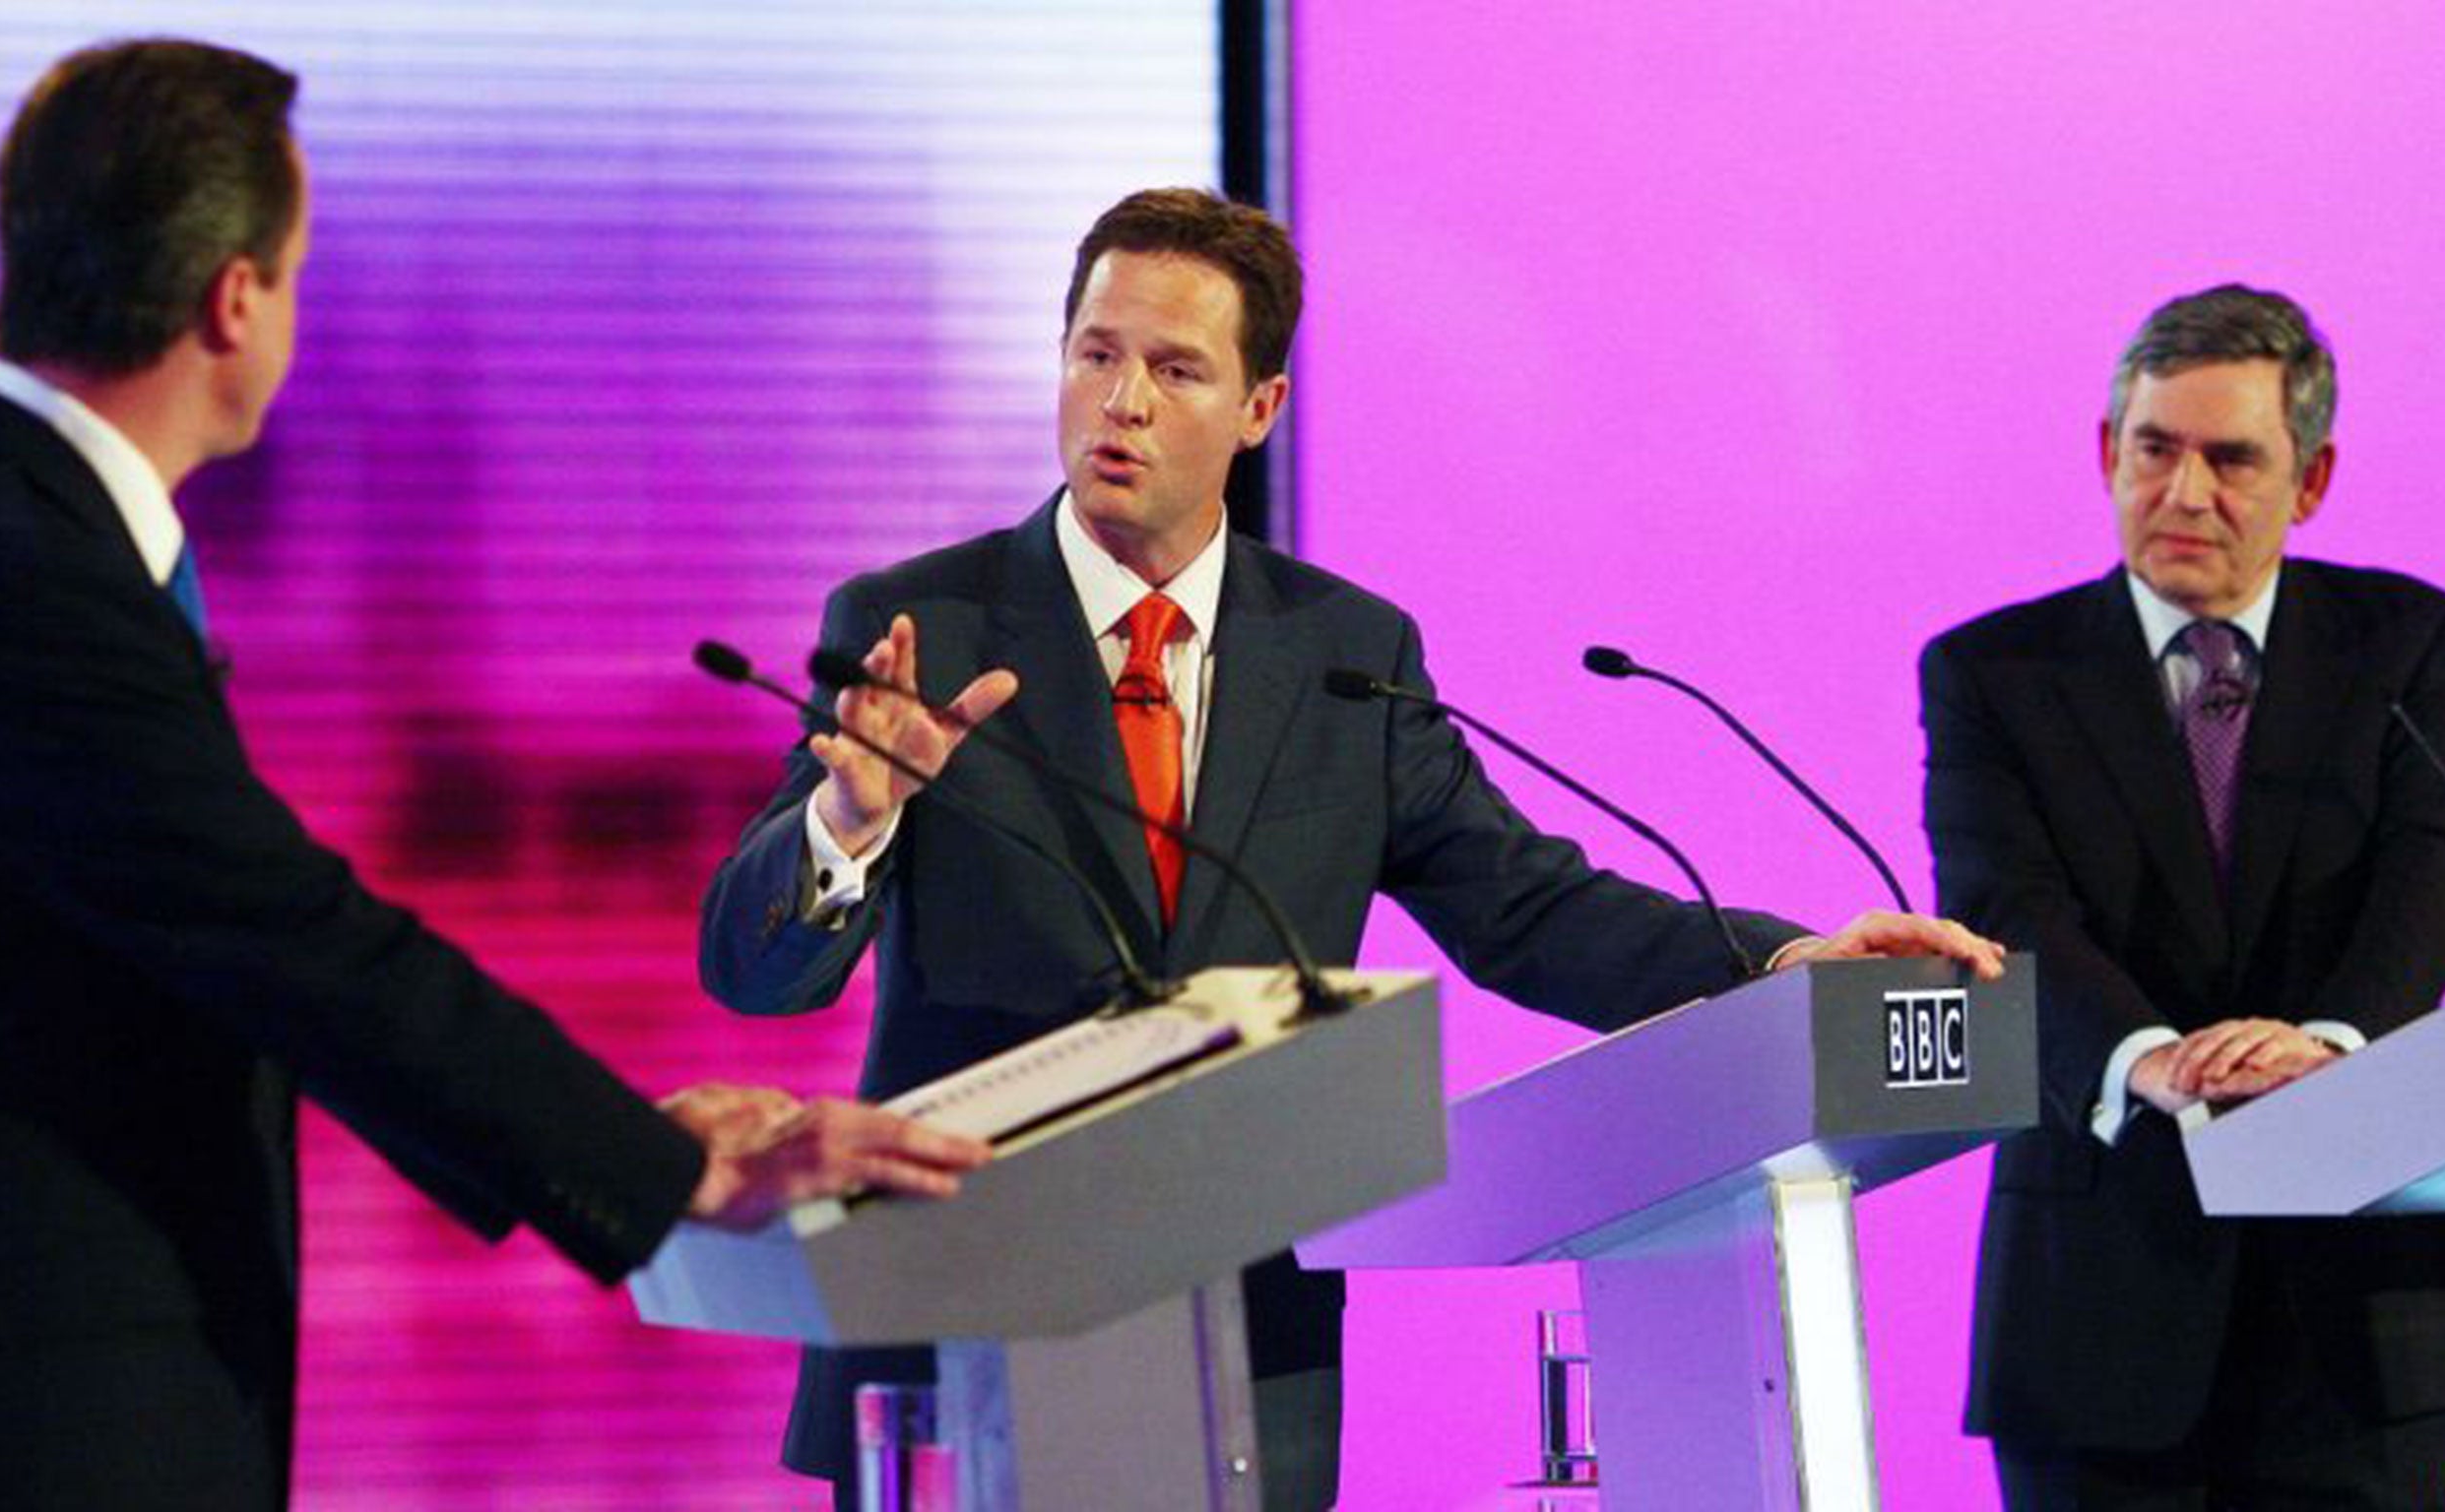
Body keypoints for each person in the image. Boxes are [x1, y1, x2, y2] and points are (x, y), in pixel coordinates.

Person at [0, 38, 986, 1512]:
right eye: (300, 273)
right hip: (0, 1410)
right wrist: (652, 1169)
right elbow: (297, 943)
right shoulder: (21, 574)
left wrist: (630, 1149)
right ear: (235, 296)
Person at [699, 186, 2006, 1510]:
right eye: (1095, 353)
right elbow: (753, 974)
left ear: (1258, 408)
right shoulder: (920, 625)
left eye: (1173, 367)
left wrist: (1784, 959)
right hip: (963, 1325)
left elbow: (1527, 906)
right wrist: (846, 826)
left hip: (1240, 1340)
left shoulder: (1342, 653)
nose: (1122, 401)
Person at [1921, 284, 2445, 1508]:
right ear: (2107, 452)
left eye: (2232, 458)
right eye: (2155, 449)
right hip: (2099, 1301)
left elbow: (2436, 863)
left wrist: (2329, 1047)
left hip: (2361, 1307)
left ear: (2312, 479)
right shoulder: (1995, 672)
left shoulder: (2402, 642)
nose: (2186, 493)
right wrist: (2149, 1058)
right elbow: (2003, 903)